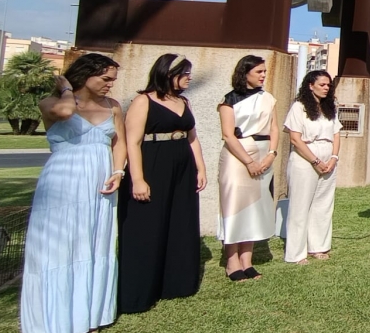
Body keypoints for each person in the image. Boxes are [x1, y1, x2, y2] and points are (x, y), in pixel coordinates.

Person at [20, 54, 126, 333]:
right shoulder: (51, 103)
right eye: (105, 79)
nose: (110, 85)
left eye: (113, 80)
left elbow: (120, 142)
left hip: (99, 187)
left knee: (91, 246)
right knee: (57, 250)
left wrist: (118, 172)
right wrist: (66, 88)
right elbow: (66, 111)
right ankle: (50, 324)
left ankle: (86, 317)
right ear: (83, 75)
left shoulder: (114, 106)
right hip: (62, 186)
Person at [118, 54, 207, 314]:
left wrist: (200, 167)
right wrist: (137, 179)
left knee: (180, 222)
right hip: (153, 163)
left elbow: (192, 138)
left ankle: (176, 283)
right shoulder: (142, 101)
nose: (189, 77)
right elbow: (132, 142)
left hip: (182, 166)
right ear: (169, 73)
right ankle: (141, 290)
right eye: (185, 73)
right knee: (147, 225)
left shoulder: (184, 101)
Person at [217, 55, 278, 281]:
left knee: (255, 206)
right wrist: (249, 161)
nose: (263, 75)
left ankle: (247, 260)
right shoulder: (229, 100)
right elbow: (227, 134)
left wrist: (271, 154)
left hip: (264, 154)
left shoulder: (268, 98)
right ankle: (231, 260)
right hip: (237, 154)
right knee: (234, 205)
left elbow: (274, 128)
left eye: (264, 71)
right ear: (245, 73)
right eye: (259, 72)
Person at [283, 70, 342, 264]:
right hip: (305, 157)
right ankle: (297, 252)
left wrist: (333, 157)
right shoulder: (299, 107)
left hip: (328, 157)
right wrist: (315, 161)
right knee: (300, 206)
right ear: (311, 85)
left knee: (323, 205)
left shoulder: (330, 107)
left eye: (328, 85)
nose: (326, 88)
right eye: (322, 85)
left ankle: (319, 246)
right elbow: (295, 139)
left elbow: (336, 133)